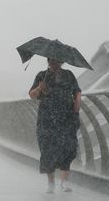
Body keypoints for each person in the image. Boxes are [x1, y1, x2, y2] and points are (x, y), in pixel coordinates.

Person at [29, 58, 81, 193]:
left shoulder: (68, 75)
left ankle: (64, 182)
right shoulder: (41, 75)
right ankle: (51, 183)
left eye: (57, 61)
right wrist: (40, 88)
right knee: (47, 148)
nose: (54, 63)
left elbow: (77, 92)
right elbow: (32, 95)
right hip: (47, 119)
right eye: (51, 61)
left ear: (62, 62)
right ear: (48, 61)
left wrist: (76, 107)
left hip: (66, 117)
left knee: (68, 147)